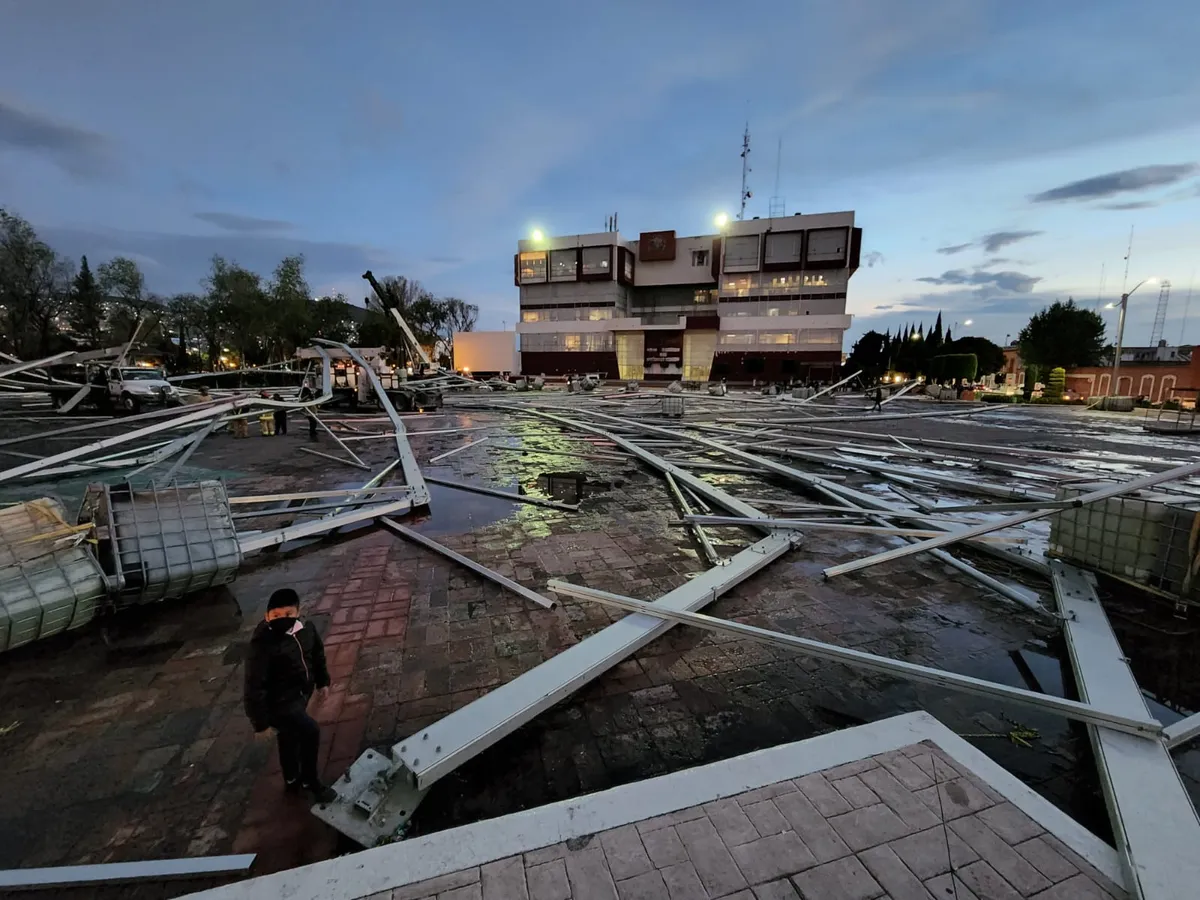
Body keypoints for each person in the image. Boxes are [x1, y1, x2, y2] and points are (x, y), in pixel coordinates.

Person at [243, 589, 338, 802]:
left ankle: (292, 779)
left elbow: (317, 656)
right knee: (310, 731)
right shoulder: (263, 645)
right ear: (267, 616)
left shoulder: (307, 631)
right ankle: (311, 781)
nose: (282, 620)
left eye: (288, 614)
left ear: (298, 611)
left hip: (300, 695)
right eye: (276, 616)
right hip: (279, 703)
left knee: (288, 737)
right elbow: (253, 686)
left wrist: (323, 682)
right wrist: (260, 723)